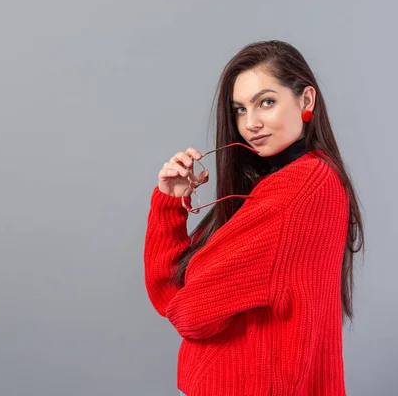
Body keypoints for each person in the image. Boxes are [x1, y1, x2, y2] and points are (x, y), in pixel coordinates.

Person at [143, 40, 364, 396]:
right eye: (240, 110)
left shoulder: (301, 188)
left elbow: (188, 313)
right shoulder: (277, 186)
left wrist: (198, 284)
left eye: (266, 102)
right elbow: (169, 295)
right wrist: (171, 201)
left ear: (306, 100)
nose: (251, 123)